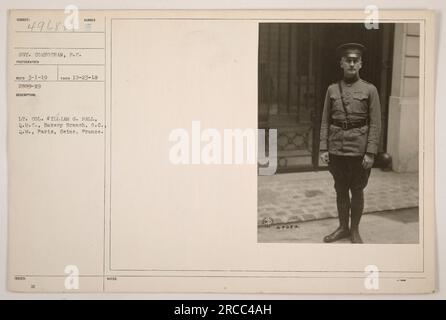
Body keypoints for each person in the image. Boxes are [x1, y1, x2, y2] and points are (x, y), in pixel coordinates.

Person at [319, 43, 381, 244]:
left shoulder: (370, 90)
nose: (352, 64)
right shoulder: (331, 90)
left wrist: (370, 152)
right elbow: (325, 120)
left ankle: (354, 230)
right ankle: (343, 228)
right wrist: (323, 148)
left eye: (356, 60)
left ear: (361, 63)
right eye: (348, 60)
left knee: (357, 190)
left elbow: (376, 123)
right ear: (342, 63)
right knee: (340, 189)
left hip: (358, 149)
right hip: (337, 149)